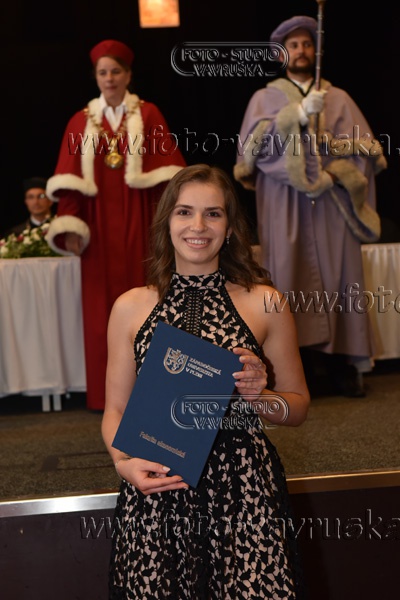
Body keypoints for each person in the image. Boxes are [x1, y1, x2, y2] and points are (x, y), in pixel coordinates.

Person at [102, 164, 310, 598]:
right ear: (167, 222)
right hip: (158, 484)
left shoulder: (266, 302)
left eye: (213, 213)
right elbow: (116, 409)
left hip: (243, 489)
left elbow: (297, 407)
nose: (198, 226)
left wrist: (260, 396)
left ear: (230, 227)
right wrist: (123, 464)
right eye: (184, 212)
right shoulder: (130, 307)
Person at [234, 15, 387, 397]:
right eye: (293, 45)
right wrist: (297, 116)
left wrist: (333, 175)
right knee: (289, 280)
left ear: (315, 50)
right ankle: (298, 371)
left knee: (339, 280)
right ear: (281, 53)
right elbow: (253, 155)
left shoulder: (339, 99)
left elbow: (364, 152)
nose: (301, 51)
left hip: (332, 206)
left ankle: (341, 367)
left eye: (306, 44)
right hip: (284, 205)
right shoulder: (264, 99)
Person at [45, 39, 186, 411]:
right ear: (95, 77)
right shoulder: (79, 121)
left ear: (128, 75)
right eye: (102, 72)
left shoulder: (149, 115)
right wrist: (71, 226)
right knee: (100, 316)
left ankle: (155, 392)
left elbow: (167, 179)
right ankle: (107, 398)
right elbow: (69, 182)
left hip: (142, 225)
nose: (109, 78)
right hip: (97, 235)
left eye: (116, 71)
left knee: (150, 306)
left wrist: (170, 226)